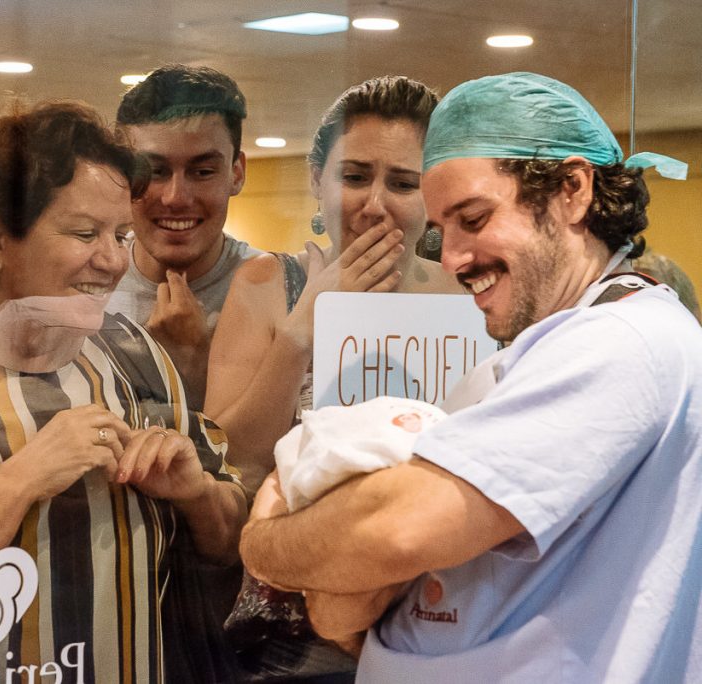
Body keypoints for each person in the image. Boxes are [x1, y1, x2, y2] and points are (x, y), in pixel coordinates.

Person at [240, 72, 701, 682]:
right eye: (442, 228)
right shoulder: (512, 364)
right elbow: (343, 607)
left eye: (475, 219)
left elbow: (394, 529)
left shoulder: (625, 343)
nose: (453, 258)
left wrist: (263, 542)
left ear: (572, 190)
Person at [0, 101, 247, 682]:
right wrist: (24, 478)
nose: (114, 260)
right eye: (83, 233)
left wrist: (194, 492)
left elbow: (227, 540)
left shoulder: (138, 355)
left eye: (120, 234)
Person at [207, 76, 461, 494]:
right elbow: (227, 461)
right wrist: (298, 336)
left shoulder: (466, 295)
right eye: (355, 177)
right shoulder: (268, 282)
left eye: (402, 184)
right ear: (316, 180)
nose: (375, 206)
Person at [109, 64, 260, 407]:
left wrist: (193, 368)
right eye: (154, 171)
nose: (176, 197)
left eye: (203, 171)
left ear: (236, 174)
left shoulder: (276, 293)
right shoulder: (84, 287)